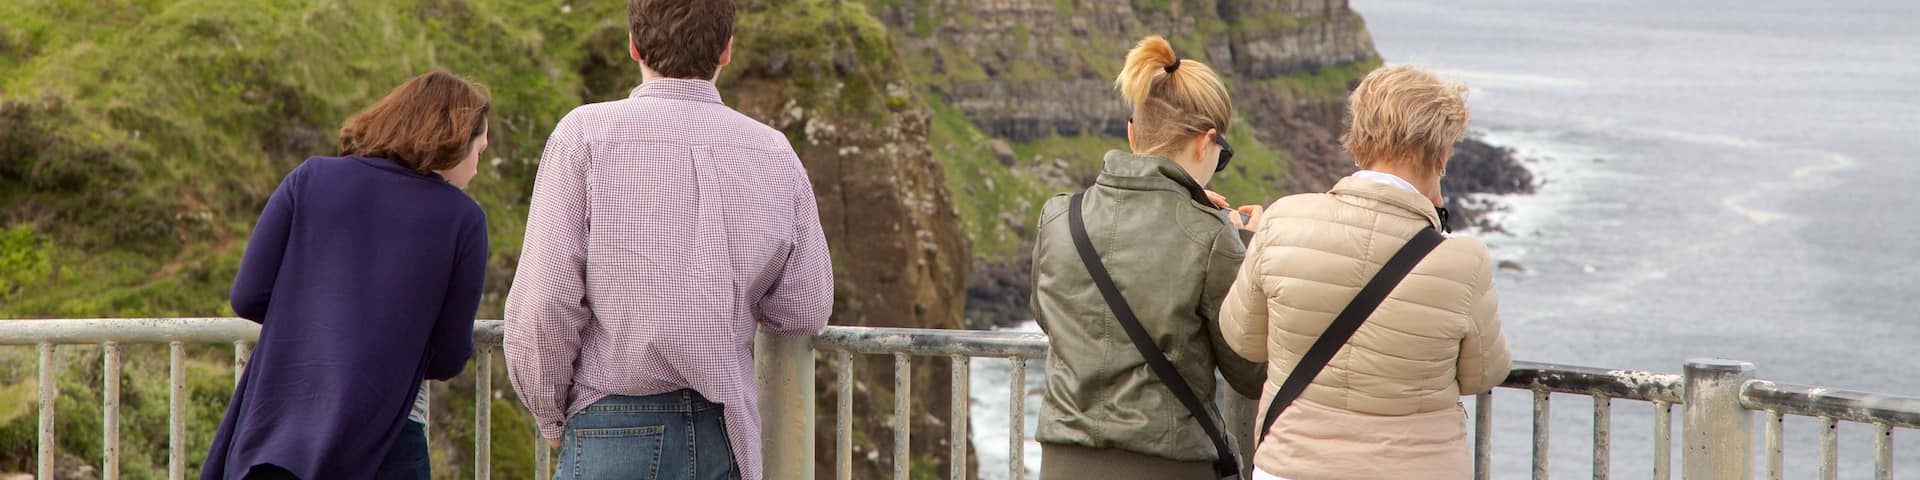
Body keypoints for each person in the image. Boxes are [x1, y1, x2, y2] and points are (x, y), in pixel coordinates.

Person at [501, 0, 834, 479]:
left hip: (613, 421)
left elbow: (545, 300)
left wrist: (548, 411)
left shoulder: (585, 135)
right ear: (726, 52)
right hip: (725, 430)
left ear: (634, 46)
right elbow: (805, 307)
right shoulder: (773, 151)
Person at [1219, 65, 1513, 480]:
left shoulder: (1283, 220)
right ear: (1443, 154)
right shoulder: (1464, 261)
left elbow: (1242, 338)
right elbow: (1483, 372)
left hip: (1292, 466)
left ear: (1359, 144)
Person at [201, 70, 492, 480]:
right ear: (455, 140)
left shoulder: (311, 178)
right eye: (479, 150)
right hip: (386, 436)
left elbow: (248, 295)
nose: (477, 168)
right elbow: (447, 356)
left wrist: (317, 325)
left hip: (280, 421)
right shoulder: (462, 219)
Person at [1029, 35, 1268, 479]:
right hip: (1168, 465)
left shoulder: (1059, 217)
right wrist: (1249, 250)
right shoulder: (1210, 234)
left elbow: (1048, 316)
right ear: (1206, 142)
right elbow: (1250, 369)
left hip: (1062, 461)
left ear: (1132, 133)